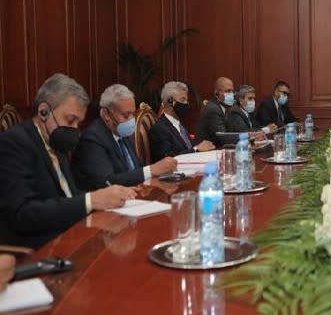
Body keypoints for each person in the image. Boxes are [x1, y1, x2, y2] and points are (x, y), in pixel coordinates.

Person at [0, 74, 136, 249]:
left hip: (72, 235)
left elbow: (68, 195)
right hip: (39, 248)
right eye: (70, 120)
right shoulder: (14, 143)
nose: (74, 130)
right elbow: (24, 213)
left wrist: (108, 196)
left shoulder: (56, 142)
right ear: (44, 111)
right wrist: (91, 200)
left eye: (78, 123)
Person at [73, 84, 179, 190]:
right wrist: (151, 170)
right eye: (126, 115)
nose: (131, 119)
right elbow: (107, 181)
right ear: (106, 115)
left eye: (133, 113)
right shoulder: (92, 139)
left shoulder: (121, 132)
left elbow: (136, 169)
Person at [149, 81, 214, 161]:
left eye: (186, 100)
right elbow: (167, 158)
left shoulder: (179, 124)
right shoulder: (160, 129)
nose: (186, 104)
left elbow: (186, 148)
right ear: (170, 102)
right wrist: (196, 149)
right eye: (183, 100)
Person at [195, 77, 239, 147]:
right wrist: (247, 137)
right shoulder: (213, 109)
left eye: (232, 91)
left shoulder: (225, 108)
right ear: (216, 93)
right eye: (228, 91)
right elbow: (222, 138)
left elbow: (232, 132)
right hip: (206, 153)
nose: (231, 94)